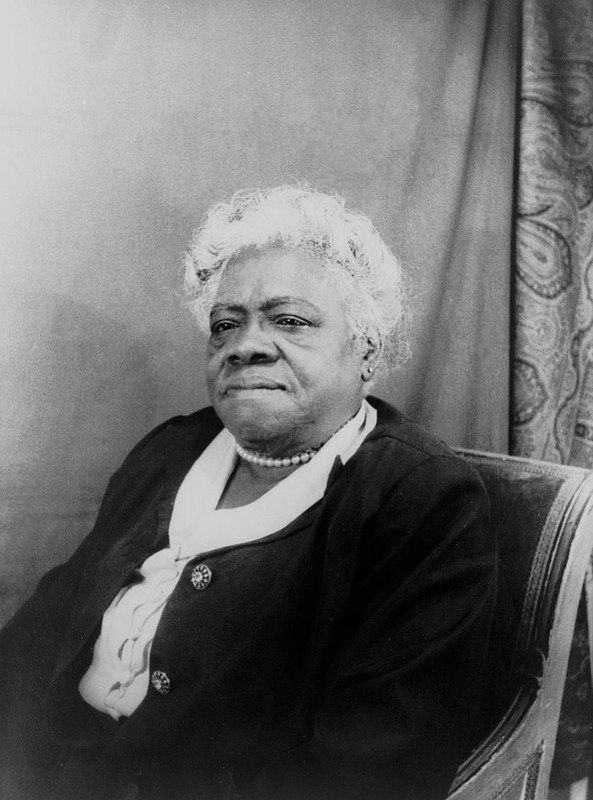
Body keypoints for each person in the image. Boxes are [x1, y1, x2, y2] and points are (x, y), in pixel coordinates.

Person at [0, 186, 496, 800]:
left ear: (366, 350)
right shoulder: (172, 450)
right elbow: (35, 643)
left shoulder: (419, 500)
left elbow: (373, 769)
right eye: (225, 325)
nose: (245, 345)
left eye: (289, 321)